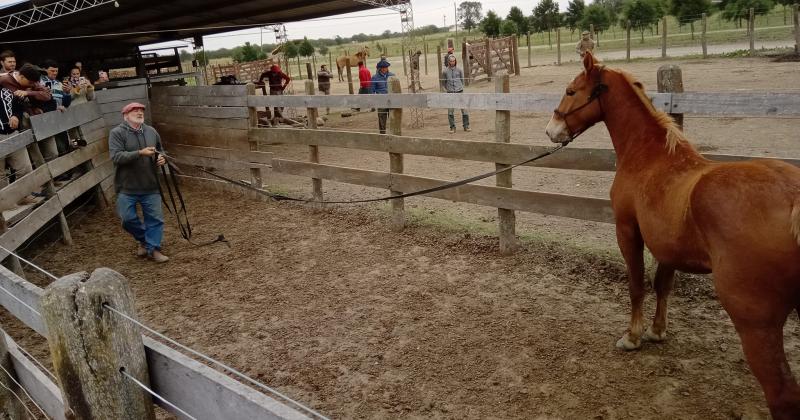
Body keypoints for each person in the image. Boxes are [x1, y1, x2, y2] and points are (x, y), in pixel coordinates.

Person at [109, 102, 169, 263]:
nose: (139, 112)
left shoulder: (151, 131)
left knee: (155, 219)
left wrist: (162, 158)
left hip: (150, 184)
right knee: (127, 219)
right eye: (134, 110)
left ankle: (153, 249)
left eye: (141, 110)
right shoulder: (117, 133)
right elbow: (116, 157)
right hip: (126, 186)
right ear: (125, 115)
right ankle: (145, 240)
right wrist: (139, 153)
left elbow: (160, 150)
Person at [441, 55, 470, 134]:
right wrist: (447, 90)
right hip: (450, 93)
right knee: (450, 111)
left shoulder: (459, 70)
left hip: (459, 91)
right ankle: (452, 127)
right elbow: (443, 83)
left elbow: (462, 80)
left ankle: (466, 126)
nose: (452, 62)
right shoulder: (445, 71)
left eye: (453, 61)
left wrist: (460, 88)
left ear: (455, 61)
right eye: (451, 61)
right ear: (448, 62)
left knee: (464, 110)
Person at [369, 59, 394, 134]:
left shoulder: (392, 76)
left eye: (385, 67)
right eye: (382, 67)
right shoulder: (374, 78)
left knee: (393, 118)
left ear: (387, 67)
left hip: (391, 100)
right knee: (382, 118)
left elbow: (396, 88)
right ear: (379, 68)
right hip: (381, 101)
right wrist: (374, 102)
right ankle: (382, 135)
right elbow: (372, 91)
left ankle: (393, 134)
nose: (384, 69)